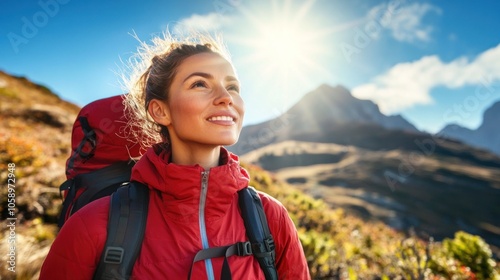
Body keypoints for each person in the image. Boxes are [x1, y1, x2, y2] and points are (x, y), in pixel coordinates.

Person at [40, 32, 310, 279]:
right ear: (160, 112)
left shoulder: (270, 216)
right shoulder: (93, 225)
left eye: (233, 87)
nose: (226, 97)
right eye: (200, 84)